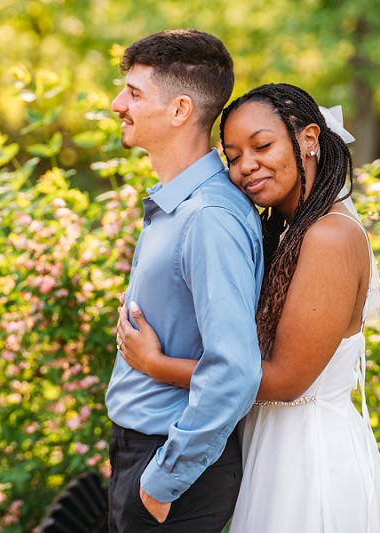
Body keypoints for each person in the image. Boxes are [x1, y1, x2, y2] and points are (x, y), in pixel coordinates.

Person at [116, 83, 380, 532]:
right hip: (270, 447)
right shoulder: (291, 231)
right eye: (232, 156)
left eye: (261, 146)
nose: (246, 165)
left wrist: (157, 364)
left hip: (309, 460)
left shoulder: (330, 236)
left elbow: (286, 380)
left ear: (309, 138)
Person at [104, 29, 265, 532]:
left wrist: (161, 482)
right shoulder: (180, 208)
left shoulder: (208, 218)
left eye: (133, 93)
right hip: (144, 457)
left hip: (174, 473)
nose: (117, 104)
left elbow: (234, 371)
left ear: (179, 110)